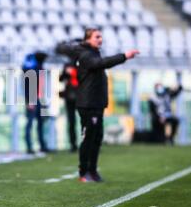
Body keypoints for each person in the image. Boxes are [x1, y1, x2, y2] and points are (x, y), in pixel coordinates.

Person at [56, 28, 139, 182]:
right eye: (97, 37)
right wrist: (124, 56)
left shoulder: (91, 53)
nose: (100, 39)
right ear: (87, 39)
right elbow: (102, 63)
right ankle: (83, 172)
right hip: (88, 104)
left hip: (96, 103)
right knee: (88, 138)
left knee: (97, 138)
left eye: (101, 37)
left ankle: (93, 171)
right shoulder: (85, 54)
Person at [22, 51, 49, 154]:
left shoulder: (38, 69)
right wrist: (30, 101)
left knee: (41, 122)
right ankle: (29, 147)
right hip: (33, 99)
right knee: (30, 123)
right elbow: (29, 87)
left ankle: (42, 145)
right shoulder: (33, 70)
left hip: (39, 99)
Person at [59, 62, 79, 152]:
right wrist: (66, 72)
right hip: (70, 99)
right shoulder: (67, 65)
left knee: (86, 121)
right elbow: (60, 79)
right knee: (71, 122)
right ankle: (73, 144)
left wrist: (74, 73)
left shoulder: (80, 65)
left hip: (80, 98)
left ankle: (88, 144)